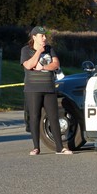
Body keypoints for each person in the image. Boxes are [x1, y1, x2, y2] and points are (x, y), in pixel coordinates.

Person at [20, 26, 72, 155]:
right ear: (34, 37)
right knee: (35, 117)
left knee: (54, 117)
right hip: (33, 89)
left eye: (45, 36)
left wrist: (43, 66)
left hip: (49, 88)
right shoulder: (26, 50)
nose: (44, 38)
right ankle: (36, 147)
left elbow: (56, 64)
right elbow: (28, 65)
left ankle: (60, 147)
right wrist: (38, 52)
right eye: (41, 36)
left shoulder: (50, 49)